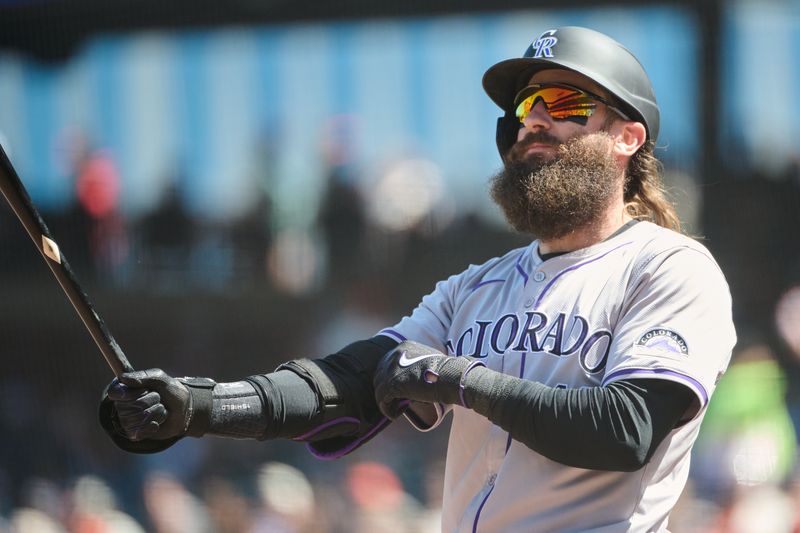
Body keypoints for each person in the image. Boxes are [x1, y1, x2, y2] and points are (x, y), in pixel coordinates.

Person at [100, 26, 736, 531]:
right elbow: (349, 382)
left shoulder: (670, 269)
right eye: (525, 107)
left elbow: (625, 430)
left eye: (565, 103)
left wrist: (460, 380)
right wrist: (202, 405)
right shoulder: (475, 288)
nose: (534, 120)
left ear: (627, 137)